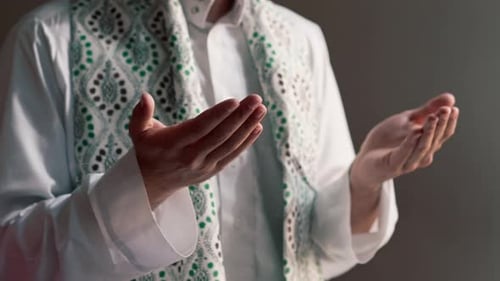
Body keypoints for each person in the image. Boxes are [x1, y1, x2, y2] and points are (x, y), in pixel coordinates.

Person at [0, 0, 459, 280]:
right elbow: (10, 256)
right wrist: (143, 187)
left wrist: (363, 179)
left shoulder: (301, 41)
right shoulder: (49, 40)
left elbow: (321, 249)